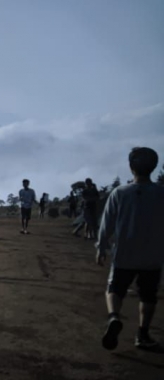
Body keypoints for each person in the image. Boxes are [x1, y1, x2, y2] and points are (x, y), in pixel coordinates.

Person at [96, 147, 164, 351]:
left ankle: (114, 317)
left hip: (124, 253)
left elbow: (106, 224)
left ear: (131, 167)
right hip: (153, 254)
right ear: (153, 167)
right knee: (148, 295)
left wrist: (101, 247)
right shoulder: (161, 193)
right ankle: (142, 334)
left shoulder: (120, 193)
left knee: (114, 289)